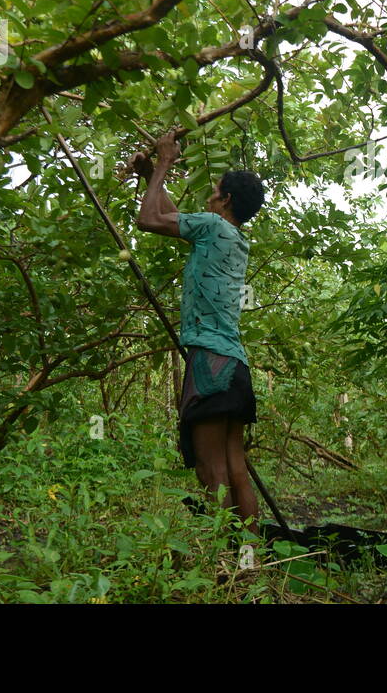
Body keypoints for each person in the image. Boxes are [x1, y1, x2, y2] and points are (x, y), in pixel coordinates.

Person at [132, 133, 266, 529]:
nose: (211, 193)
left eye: (215, 189)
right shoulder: (232, 237)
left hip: (209, 361)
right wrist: (150, 175)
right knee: (235, 465)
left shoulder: (211, 226)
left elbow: (149, 220)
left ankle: (222, 557)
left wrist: (164, 163)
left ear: (224, 200)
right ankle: (250, 560)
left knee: (212, 471)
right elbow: (174, 219)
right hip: (234, 363)